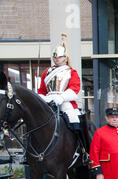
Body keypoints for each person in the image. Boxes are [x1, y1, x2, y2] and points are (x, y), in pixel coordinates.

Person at [37, 33, 89, 165]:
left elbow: (75, 88)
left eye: (59, 57)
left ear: (65, 58)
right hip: (49, 101)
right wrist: (43, 98)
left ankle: (84, 151)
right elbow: (42, 90)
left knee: (76, 120)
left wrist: (61, 97)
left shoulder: (71, 72)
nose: (56, 59)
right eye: (55, 57)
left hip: (65, 101)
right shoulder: (46, 73)